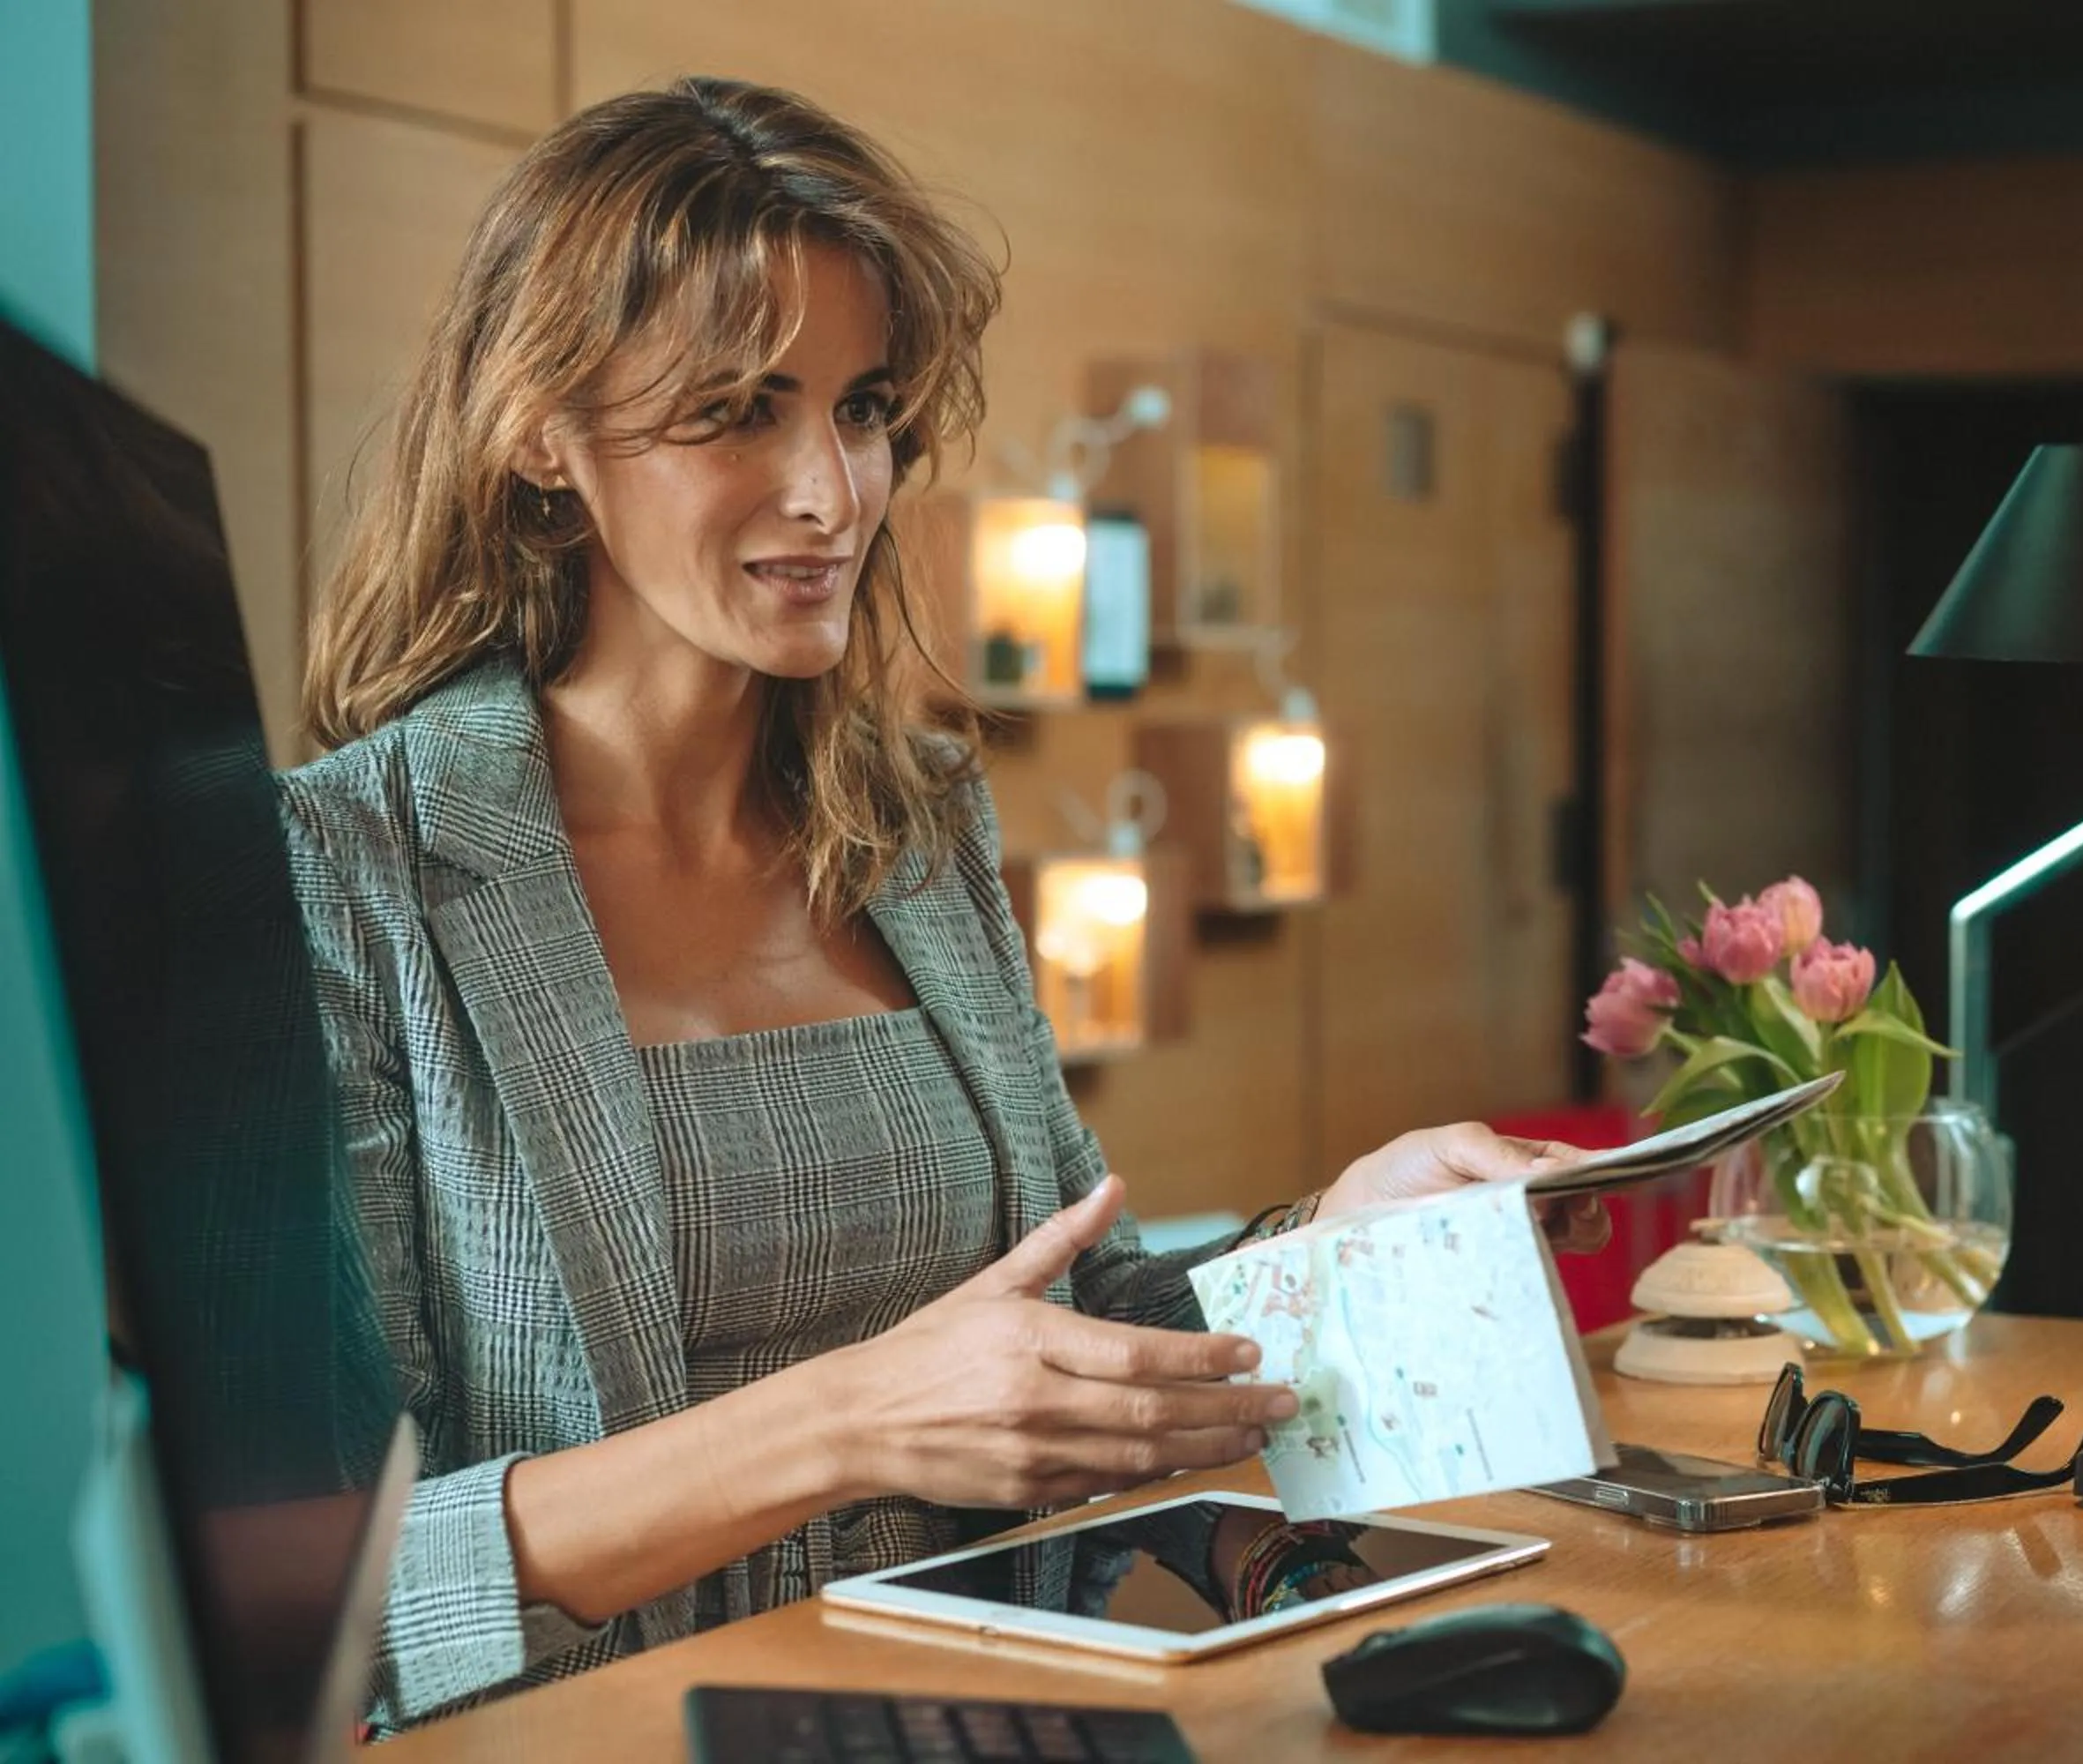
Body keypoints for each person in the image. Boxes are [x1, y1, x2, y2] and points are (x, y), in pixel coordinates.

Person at [279, 75, 1607, 1730]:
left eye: (862, 409)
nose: (835, 492)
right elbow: (333, 1589)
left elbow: (1060, 1334)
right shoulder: (347, 874)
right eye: (739, 411)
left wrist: (1328, 1244)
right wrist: (848, 1424)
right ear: (545, 433)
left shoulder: (913, 826)